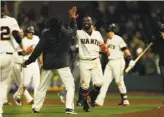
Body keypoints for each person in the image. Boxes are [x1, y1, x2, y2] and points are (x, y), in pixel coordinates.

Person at [21, 7, 78, 114]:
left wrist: (27, 62)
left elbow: (37, 51)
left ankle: (36, 108)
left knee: (42, 88)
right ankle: (69, 108)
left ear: (50, 25)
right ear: (61, 25)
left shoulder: (46, 35)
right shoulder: (66, 34)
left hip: (48, 65)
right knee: (70, 86)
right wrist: (73, 18)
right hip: (62, 64)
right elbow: (74, 29)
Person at [95, 23, 135, 107]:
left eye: (108, 31)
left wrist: (130, 60)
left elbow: (126, 50)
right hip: (110, 62)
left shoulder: (118, 39)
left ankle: (125, 100)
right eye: (106, 31)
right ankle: (99, 101)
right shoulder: (108, 40)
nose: (106, 33)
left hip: (119, 61)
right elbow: (105, 50)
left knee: (118, 81)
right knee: (104, 82)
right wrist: (96, 50)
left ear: (112, 31)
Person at [0, 1, 29, 116]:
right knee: (2, 85)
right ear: (4, 7)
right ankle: (0, 112)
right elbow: (17, 36)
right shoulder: (11, 20)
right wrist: (22, 47)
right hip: (7, 56)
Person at [76, 16, 110, 112]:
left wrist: (105, 49)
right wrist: (73, 19)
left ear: (91, 23)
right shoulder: (79, 33)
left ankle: (92, 95)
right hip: (84, 61)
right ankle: (85, 103)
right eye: (85, 21)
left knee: (100, 83)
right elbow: (72, 29)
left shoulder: (97, 34)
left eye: (88, 21)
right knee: (85, 85)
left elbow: (102, 44)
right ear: (82, 23)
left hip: (95, 61)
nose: (86, 22)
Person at [13, 26, 41, 105]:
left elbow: (39, 51)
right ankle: (17, 95)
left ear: (33, 33)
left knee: (37, 82)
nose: (30, 34)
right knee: (25, 83)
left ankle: (36, 101)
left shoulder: (36, 38)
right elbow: (21, 53)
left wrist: (41, 61)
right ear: (26, 33)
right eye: (28, 32)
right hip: (26, 63)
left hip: (35, 63)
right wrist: (28, 52)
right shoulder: (23, 41)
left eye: (31, 32)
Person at [151, 24, 164, 99]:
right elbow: (154, 49)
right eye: (161, 32)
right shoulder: (159, 40)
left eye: (163, 32)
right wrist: (153, 41)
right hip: (162, 63)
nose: (162, 33)